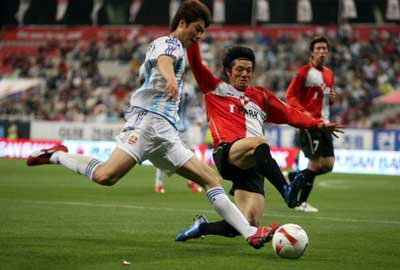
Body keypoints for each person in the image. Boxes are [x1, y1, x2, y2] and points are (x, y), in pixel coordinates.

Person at [26, 0, 279, 250]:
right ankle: (57, 155)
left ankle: (250, 233)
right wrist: (170, 79)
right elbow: (164, 61)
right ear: (182, 23)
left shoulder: (170, 46)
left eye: (203, 31)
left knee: (210, 178)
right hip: (148, 125)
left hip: (166, 131)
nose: (199, 36)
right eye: (197, 29)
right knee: (106, 176)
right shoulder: (170, 43)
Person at [175, 40, 343, 241]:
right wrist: (193, 39)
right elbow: (196, 63)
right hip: (228, 154)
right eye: (239, 69)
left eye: (249, 70)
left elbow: (290, 114)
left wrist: (317, 124)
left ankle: (201, 228)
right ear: (228, 70)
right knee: (258, 141)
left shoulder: (261, 95)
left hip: (253, 163)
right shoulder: (215, 89)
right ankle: (286, 190)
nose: (245, 74)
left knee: (249, 223)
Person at [285, 36, 336, 213]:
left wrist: (333, 100)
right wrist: (303, 112)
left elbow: (327, 97)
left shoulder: (329, 74)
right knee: (315, 165)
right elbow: (290, 95)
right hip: (309, 124)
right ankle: (302, 203)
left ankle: (294, 176)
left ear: (327, 51)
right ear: (312, 52)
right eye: (318, 48)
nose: (322, 51)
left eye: (324, 48)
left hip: (326, 124)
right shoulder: (303, 72)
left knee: (328, 164)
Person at [154, 70, 203, 193]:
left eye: (184, 74)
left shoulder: (189, 88)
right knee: (163, 154)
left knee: (192, 154)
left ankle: (192, 181)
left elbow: (193, 105)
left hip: (184, 127)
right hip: (169, 126)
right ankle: (159, 183)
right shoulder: (168, 85)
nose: (183, 76)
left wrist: (198, 119)